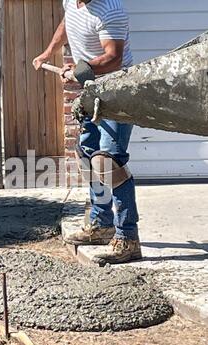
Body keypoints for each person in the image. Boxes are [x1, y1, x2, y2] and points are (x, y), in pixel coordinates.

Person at [33, 0, 141, 264]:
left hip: (117, 91)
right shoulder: (72, 1)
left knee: (109, 163)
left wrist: (78, 71)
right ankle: (102, 225)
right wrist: (48, 53)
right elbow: (67, 23)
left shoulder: (110, 9)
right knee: (87, 154)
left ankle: (128, 238)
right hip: (92, 91)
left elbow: (113, 58)